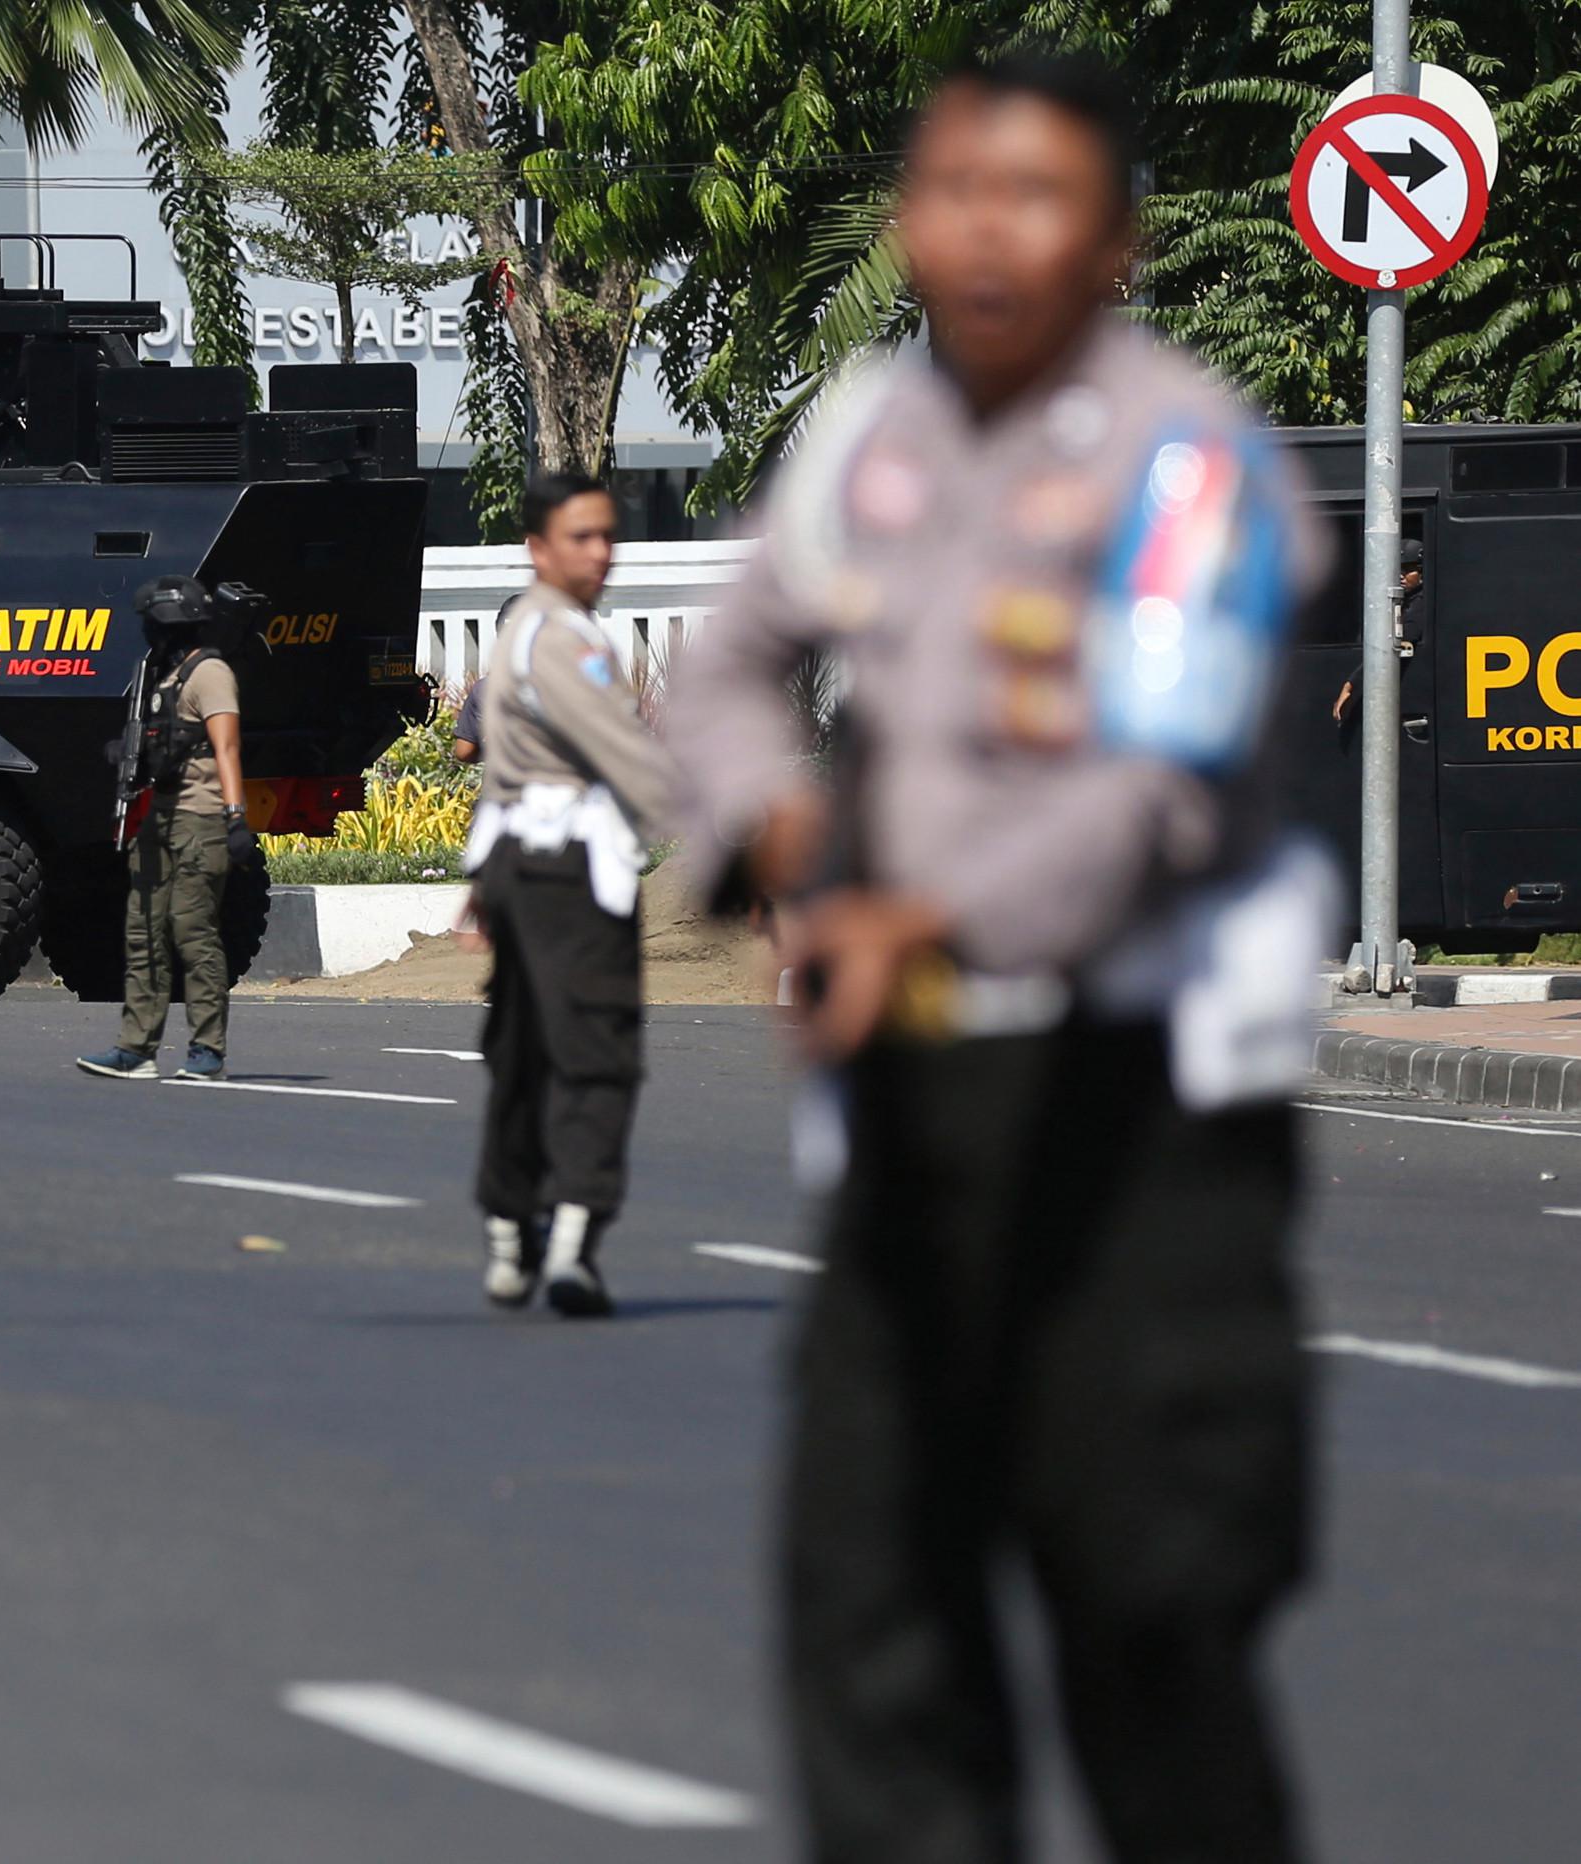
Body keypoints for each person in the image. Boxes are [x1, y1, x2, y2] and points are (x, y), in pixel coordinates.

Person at [663, 52, 1326, 1864]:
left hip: (1135, 1109)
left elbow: (1157, 785)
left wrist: (927, 917)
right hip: (915, 1093)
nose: (981, 229)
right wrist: (784, 834)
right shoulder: (860, 439)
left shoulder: (1190, 466)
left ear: (1110, 241)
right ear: (902, 220)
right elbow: (720, 669)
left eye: (1030, 195)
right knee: (868, 1601)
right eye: (950, 188)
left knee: (1147, 1619)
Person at [464, 472, 676, 1319]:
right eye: (581, 537)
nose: (601, 552)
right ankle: (571, 1247)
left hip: (517, 858)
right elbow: (623, 753)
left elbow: (500, 764)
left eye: (607, 535)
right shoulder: (568, 639)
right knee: (595, 1051)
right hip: (571, 871)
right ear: (538, 548)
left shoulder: (519, 625)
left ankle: (512, 1231)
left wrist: (482, 882)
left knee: (520, 1048)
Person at [76, 575, 249, 1083]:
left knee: (192, 932)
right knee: (143, 932)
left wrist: (236, 817)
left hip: (201, 819)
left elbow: (227, 748)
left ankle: (206, 1048)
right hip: (162, 819)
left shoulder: (211, 673)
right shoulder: (166, 677)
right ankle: (136, 1047)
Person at [1330, 535, 1424, 724]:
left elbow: (1402, 638)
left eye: (1408, 570)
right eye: (1397, 569)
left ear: (1422, 572)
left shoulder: (1422, 602)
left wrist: (1351, 685)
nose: (1401, 576)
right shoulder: (1402, 601)